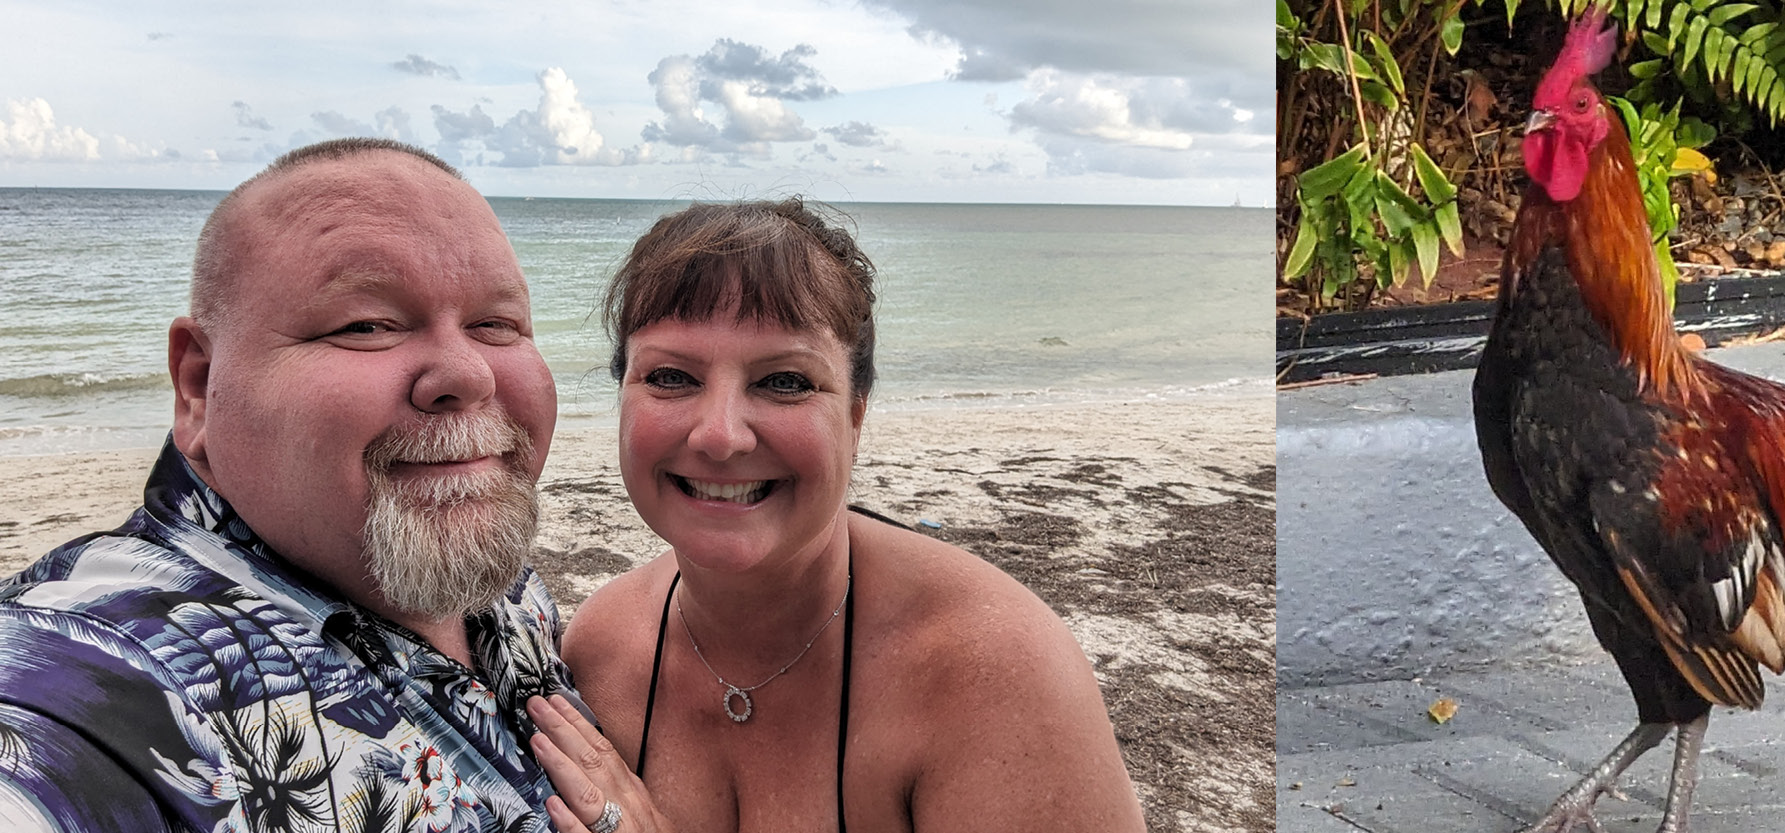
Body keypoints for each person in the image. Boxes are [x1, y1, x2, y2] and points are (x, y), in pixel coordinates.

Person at [0, 138, 580, 831]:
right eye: (365, 325)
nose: (470, 374)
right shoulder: (108, 671)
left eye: (497, 323)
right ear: (196, 387)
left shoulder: (498, 581)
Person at [523, 200, 1148, 833]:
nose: (720, 436)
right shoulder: (603, 654)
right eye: (670, 376)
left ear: (855, 416)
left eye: (786, 382)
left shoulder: (993, 674)